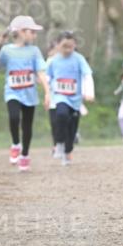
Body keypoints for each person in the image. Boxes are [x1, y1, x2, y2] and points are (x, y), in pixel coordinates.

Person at [0, 15, 49, 171]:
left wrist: (48, 92)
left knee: (27, 126)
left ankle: (25, 155)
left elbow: (40, 72)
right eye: (32, 31)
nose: (35, 35)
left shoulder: (34, 51)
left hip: (30, 94)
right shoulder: (7, 50)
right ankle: (16, 143)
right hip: (12, 92)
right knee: (14, 118)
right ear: (21, 32)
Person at [46, 31, 94, 165]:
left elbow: (87, 75)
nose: (67, 50)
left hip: (75, 100)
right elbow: (47, 77)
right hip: (60, 96)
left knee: (72, 128)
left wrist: (89, 92)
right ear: (58, 45)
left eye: (70, 47)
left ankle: (68, 152)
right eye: (64, 46)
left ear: (75, 46)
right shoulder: (53, 60)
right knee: (61, 115)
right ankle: (59, 142)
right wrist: (47, 92)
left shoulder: (79, 59)